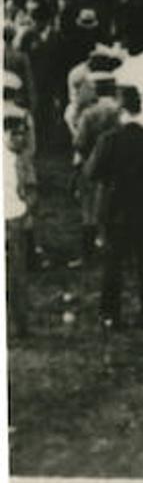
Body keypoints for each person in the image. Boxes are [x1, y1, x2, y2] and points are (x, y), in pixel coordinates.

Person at [86, 86, 143, 329]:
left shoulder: (109, 140)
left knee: (113, 263)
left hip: (116, 209)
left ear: (121, 109)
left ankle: (110, 314)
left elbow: (92, 172)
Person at [71, 72, 123, 265]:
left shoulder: (90, 113)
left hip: (92, 163)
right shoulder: (121, 110)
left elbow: (80, 142)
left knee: (89, 211)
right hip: (119, 165)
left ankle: (88, 255)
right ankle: (118, 252)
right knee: (117, 208)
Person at [5, 103, 35, 337]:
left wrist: (27, 211)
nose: (21, 139)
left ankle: (19, 324)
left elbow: (31, 190)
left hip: (15, 219)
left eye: (23, 133)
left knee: (17, 274)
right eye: (16, 134)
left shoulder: (22, 160)